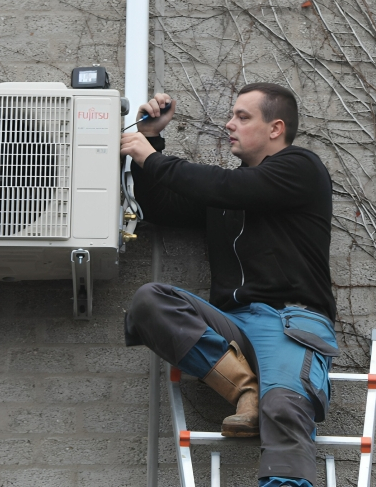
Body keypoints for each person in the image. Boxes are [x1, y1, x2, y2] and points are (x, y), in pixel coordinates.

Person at [120, 83, 337, 487]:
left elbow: (227, 187)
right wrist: (151, 139)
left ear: (275, 128)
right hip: (232, 327)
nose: (229, 125)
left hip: (289, 323)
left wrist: (150, 157)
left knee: (285, 407)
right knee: (150, 302)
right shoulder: (226, 193)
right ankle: (244, 390)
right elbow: (161, 206)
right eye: (232, 115)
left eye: (242, 116)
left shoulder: (300, 168)